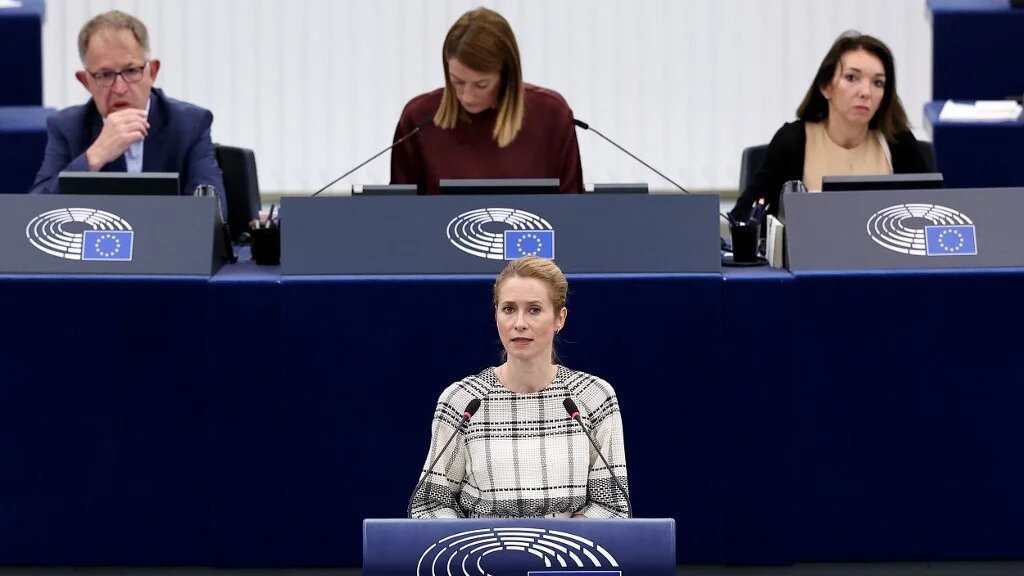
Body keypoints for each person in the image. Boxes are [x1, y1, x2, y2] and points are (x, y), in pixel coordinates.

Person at [409, 256, 629, 519]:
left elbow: (613, 507)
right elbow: (429, 505)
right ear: (496, 315)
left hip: (568, 547)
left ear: (559, 318)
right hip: (482, 546)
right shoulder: (462, 400)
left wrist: (557, 539)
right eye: (509, 309)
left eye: (534, 310)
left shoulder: (594, 396)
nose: (519, 323)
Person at [30, 10, 225, 214]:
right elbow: (34, 212)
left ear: (152, 72)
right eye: (105, 75)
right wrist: (94, 157)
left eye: (131, 71)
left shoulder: (190, 124)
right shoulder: (67, 128)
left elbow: (212, 212)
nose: (120, 88)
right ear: (86, 82)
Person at [731, 31, 929, 220]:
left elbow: (935, 213)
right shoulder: (793, 141)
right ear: (826, 87)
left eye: (878, 83)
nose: (866, 92)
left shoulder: (898, 143)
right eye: (852, 78)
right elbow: (743, 217)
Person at [390, 7, 583, 195]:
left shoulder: (551, 116)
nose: (466, 96)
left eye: (481, 85)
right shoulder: (419, 120)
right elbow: (398, 210)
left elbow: (572, 207)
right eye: (457, 82)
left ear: (506, 76)